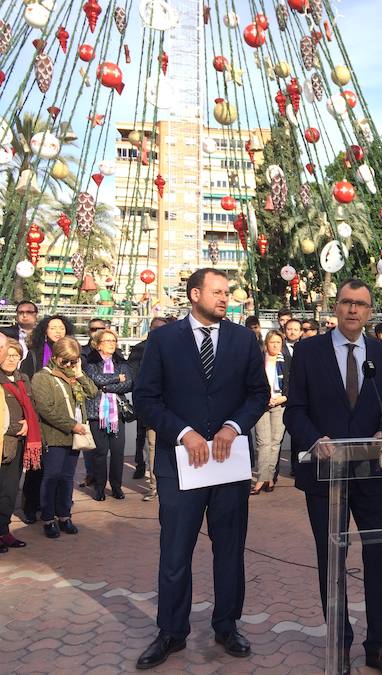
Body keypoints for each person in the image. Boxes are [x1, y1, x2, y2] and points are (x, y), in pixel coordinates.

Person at [133, 268, 269, 669]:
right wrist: (184, 432)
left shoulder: (244, 340)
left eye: (228, 293)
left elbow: (258, 394)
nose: (225, 298)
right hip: (181, 465)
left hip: (227, 466)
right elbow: (146, 399)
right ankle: (171, 632)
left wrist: (233, 426)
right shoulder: (163, 339)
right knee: (175, 552)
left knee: (229, 550)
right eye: (217, 292)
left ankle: (226, 626)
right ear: (195, 294)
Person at [285, 278, 382, 674]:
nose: (353, 310)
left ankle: (378, 644)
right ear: (335, 307)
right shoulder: (307, 351)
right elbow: (294, 409)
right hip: (325, 474)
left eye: (361, 304)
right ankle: (341, 643)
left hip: (370, 473)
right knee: (332, 559)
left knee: (379, 556)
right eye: (346, 303)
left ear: (370, 312)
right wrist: (314, 438)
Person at [31, 336, 98, 539]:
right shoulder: (43, 377)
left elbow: (93, 392)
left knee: (67, 478)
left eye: (73, 360)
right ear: (56, 356)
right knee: (52, 477)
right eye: (65, 360)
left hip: (74, 437)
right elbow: (46, 409)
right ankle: (49, 518)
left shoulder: (73, 376)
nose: (69, 364)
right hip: (54, 436)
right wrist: (72, 425)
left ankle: (64, 515)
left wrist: (80, 374)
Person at [19, 314, 75, 524]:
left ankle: (57, 509)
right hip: (38, 417)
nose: (58, 331)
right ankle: (31, 506)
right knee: (38, 467)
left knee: (61, 471)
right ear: (45, 330)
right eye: (53, 327)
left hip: (64, 419)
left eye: (61, 327)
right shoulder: (34, 355)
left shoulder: (73, 355)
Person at [0, 338, 40, 551]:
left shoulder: (23, 378)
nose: (11, 359)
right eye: (8, 354)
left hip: (18, 444)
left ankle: (4, 531)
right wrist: (17, 427)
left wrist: (28, 422)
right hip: (3, 441)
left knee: (9, 489)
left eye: (15, 355)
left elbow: (31, 406)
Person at [85, 329, 133, 501]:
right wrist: (115, 379)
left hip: (117, 414)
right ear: (98, 344)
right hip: (96, 414)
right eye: (107, 341)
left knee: (118, 452)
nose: (112, 343)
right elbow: (96, 379)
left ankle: (116, 487)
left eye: (114, 340)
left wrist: (106, 387)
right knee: (100, 453)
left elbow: (128, 384)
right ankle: (99, 487)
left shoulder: (122, 362)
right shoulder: (89, 362)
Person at [128, 317, 167, 481]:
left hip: (165, 402)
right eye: (156, 328)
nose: (159, 331)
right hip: (145, 400)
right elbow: (134, 375)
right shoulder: (139, 349)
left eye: (162, 328)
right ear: (150, 329)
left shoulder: (170, 348)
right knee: (141, 435)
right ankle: (140, 464)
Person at [253, 331, 288, 495]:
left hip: (280, 404)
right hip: (262, 405)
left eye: (278, 342)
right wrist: (264, 399)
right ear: (266, 343)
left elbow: (291, 383)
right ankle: (261, 478)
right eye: (272, 342)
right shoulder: (258, 360)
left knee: (275, 442)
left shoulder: (286, 361)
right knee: (263, 443)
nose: (275, 345)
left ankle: (270, 478)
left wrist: (282, 397)